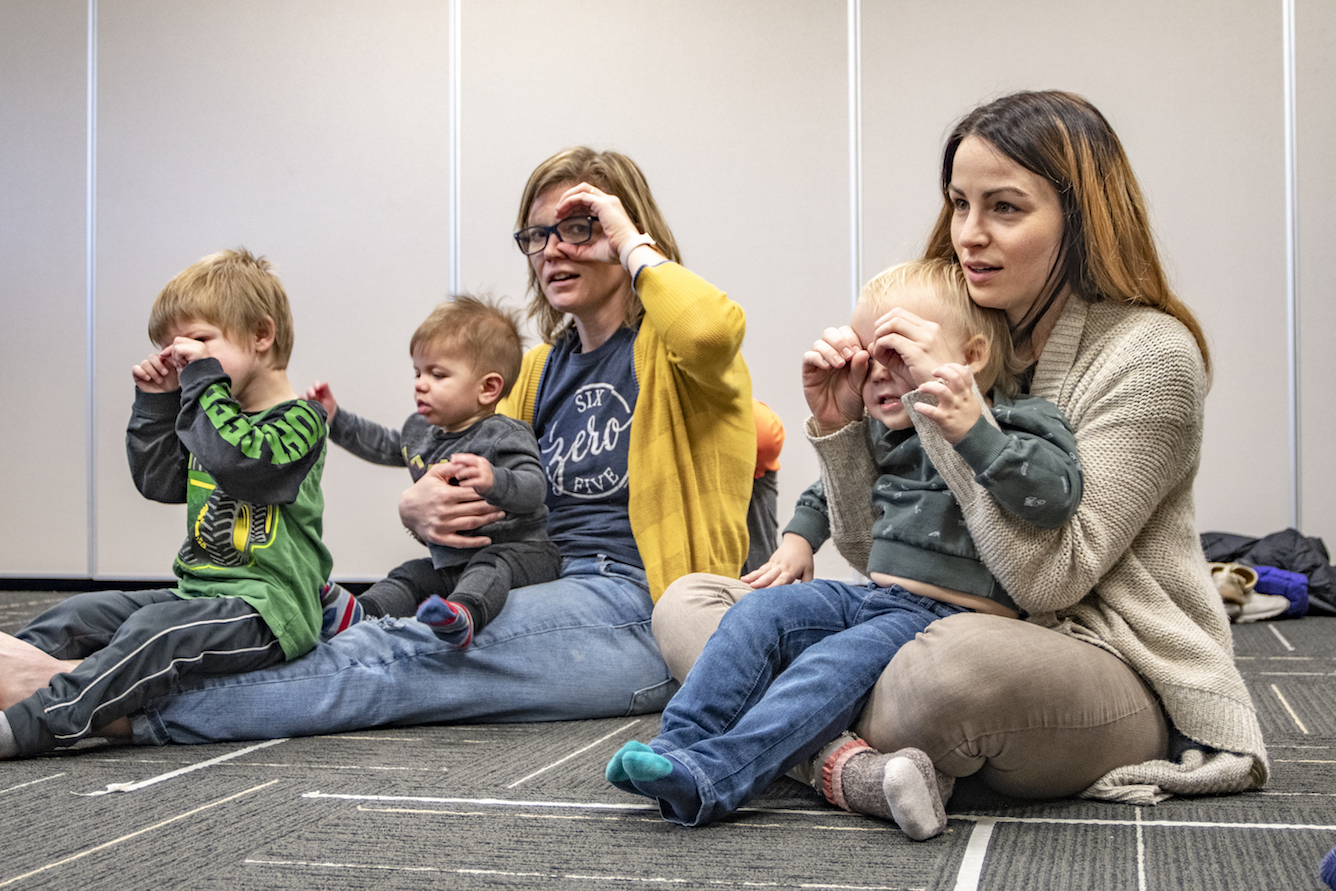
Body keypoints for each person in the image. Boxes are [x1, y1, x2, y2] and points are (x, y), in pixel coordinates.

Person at [0, 146, 754, 744]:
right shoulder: (536, 371)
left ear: (624, 231)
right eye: (537, 234)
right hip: (536, 575)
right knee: (355, 622)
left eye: (579, 227)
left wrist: (630, 239)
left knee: (401, 653)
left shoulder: (678, 356)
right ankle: (96, 677)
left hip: (641, 607)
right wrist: (418, 503)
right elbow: (466, 470)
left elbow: (708, 329)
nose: (552, 249)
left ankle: (91, 700)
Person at [653, 90, 1268, 813]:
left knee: (942, 675)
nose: (969, 234)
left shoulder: (1152, 356)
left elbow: (1049, 584)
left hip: (1101, 652)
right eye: (959, 204)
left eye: (1004, 207)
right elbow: (872, 553)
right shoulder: (953, 318)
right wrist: (842, 430)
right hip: (915, 619)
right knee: (687, 604)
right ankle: (858, 770)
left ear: (1080, 221)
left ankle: (800, 732)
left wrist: (947, 415)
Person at [606, 258, 1081, 838]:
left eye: (896, 354)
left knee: (824, 668)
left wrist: (971, 429)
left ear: (972, 356)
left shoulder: (1019, 418)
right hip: (874, 596)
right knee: (759, 613)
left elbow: (1053, 495)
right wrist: (796, 542)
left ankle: (714, 776)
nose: (876, 374)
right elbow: (824, 493)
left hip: (946, 618)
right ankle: (677, 744)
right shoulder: (889, 432)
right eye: (864, 356)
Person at [0, 248, 331, 758]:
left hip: (266, 611)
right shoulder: (211, 414)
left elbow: (241, 464)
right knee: (79, 613)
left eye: (198, 341)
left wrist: (201, 385)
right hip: (198, 592)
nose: (181, 358)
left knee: (152, 633)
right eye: (172, 349)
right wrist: (156, 404)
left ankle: (31, 724)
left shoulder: (301, 420)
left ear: (261, 335)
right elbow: (160, 482)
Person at [306, 295, 560, 647]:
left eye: (438, 374)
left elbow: (534, 488)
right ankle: (359, 614)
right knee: (411, 574)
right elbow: (383, 444)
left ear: (488, 388)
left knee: (491, 563)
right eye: (418, 372)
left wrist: (495, 479)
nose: (420, 384)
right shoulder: (422, 433)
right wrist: (336, 419)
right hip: (454, 564)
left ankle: (464, 616)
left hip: (521, 554)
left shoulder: (504, 434)